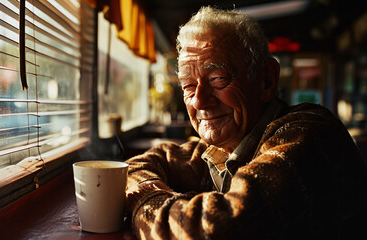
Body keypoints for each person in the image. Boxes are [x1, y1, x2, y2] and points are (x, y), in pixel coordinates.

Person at [125, 6, 367, 240]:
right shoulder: (222, 150)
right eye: (189, 86)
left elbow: (216, 230)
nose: (199, 101)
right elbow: (134, 167)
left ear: (266, 81)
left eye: (218, 79)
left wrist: (144, 201)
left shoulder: (309, 133)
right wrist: (147, 185)